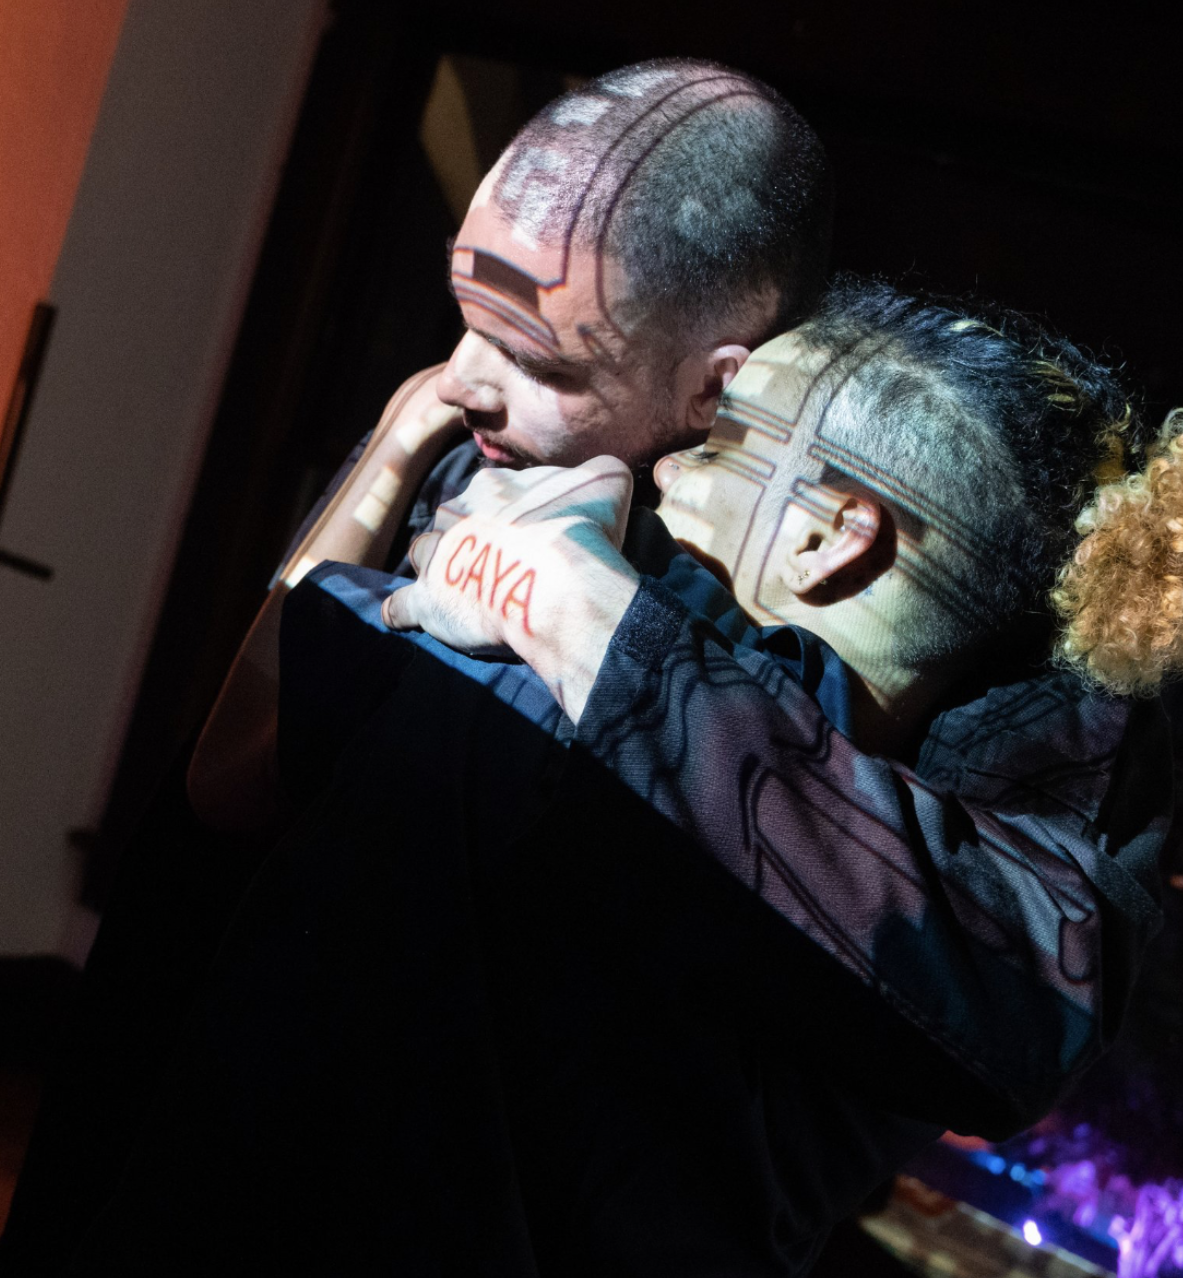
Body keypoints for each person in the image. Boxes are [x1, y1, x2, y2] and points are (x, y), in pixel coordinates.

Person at [75, 281, 1176, 1275]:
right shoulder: (934, 833)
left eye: (725, 444)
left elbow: (239, 769)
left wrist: (551, 593)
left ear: (833, 537)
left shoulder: (648, 704)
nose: (667, 467)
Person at [0, 58, 839, 1277]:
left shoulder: (724, 622)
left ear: (718, 384)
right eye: (467, 313)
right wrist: (390, 457)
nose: (468, 379)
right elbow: (225, 782)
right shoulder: (463, 439)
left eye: (543, 362)